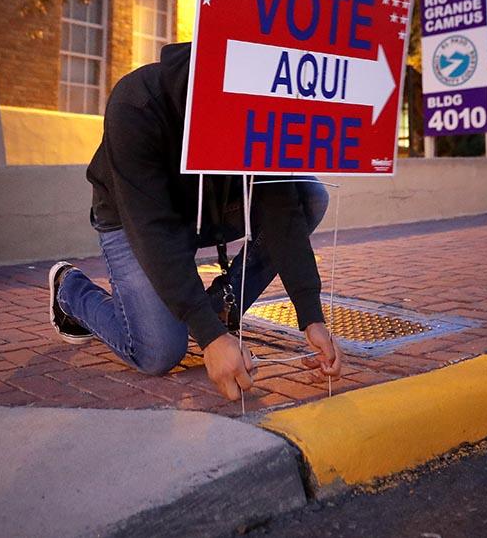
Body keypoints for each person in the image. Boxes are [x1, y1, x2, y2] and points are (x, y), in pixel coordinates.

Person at [49, 42, 343, 400]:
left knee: (309, 194)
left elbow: (279, 208)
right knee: (157, 353)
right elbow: (154, 233)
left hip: (207, 211)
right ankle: (71, 290)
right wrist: (210, 336)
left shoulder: (260, 98)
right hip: (133, 218)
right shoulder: (135, 104)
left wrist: (312, 317)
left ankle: (221, 303)